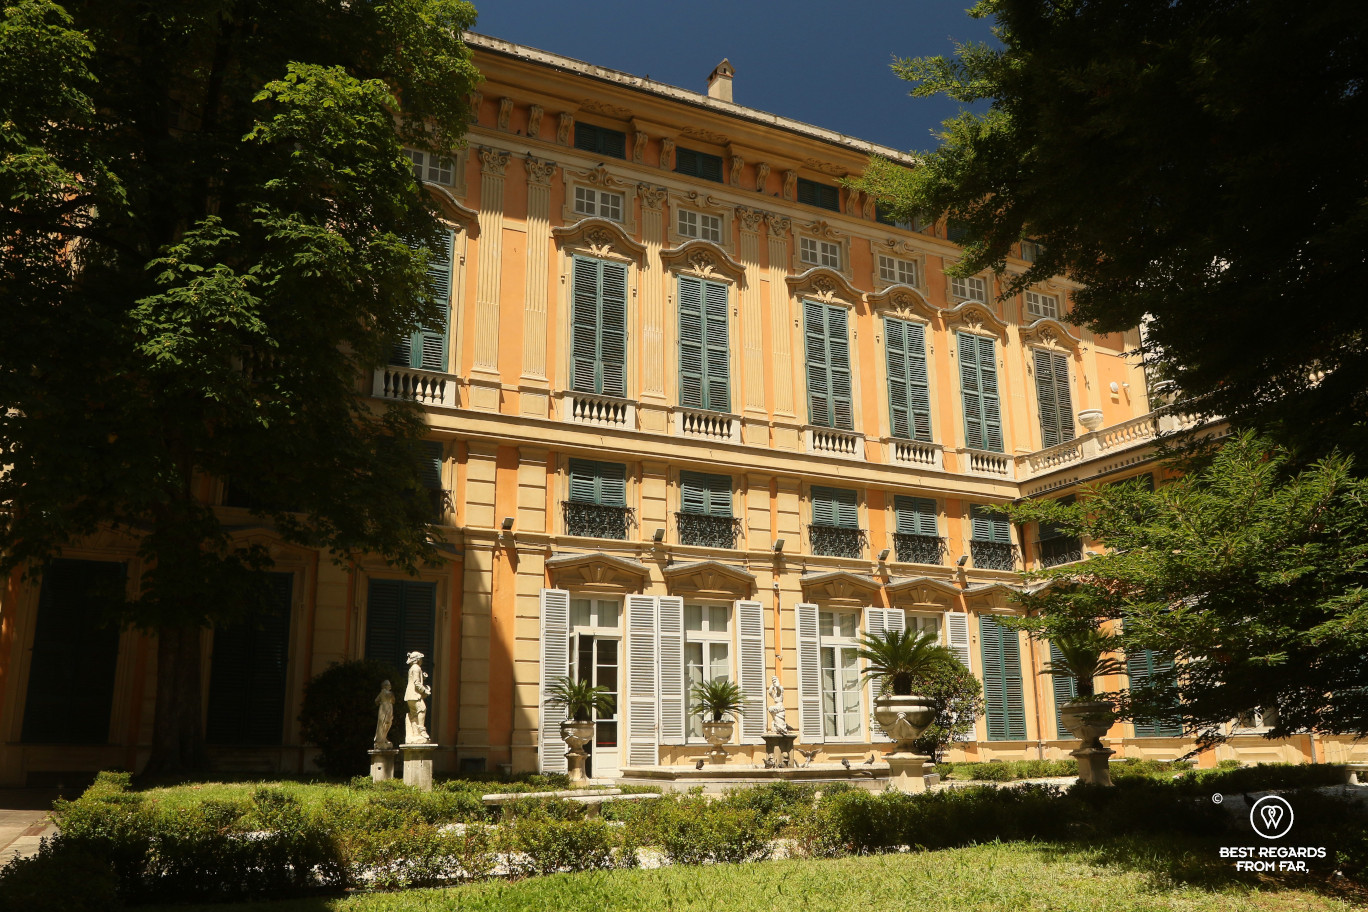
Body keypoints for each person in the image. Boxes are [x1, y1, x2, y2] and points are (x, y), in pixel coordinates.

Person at [404, 652, 432, 744]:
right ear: (417, 659)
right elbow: (416, 683)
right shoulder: (416, 668)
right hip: (414, 695)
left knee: (414, 714)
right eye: (420, 658)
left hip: (410, 695)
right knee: (422, 709)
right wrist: (425, 691)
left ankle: (415, 733)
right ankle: (422, 731)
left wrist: (422, 677)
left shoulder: (413, 668)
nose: (422, 660)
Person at [373, 680, 394, 750]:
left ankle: (384, 737)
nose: (390, 686)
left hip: (389, 708)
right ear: (385, 686)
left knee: (388, 723)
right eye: (388, 685)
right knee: (383, 723)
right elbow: (376, 700)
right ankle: (380, 739)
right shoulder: (384, 692)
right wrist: (382, 703)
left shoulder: (389, 693)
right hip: (385, 709)